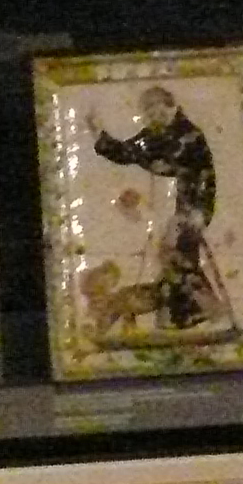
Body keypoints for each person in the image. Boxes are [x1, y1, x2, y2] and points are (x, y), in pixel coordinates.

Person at [90, 85, 228, 328]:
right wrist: (98, 133)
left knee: (173, 255)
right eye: (150, 112)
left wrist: (195, 212)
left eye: (160, 109)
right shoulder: (157, 134)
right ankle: (185, 314)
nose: (156, 116)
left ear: (172, 106)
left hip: (197, 203)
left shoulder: (189, 134)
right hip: (183, 205)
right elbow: (127, 152)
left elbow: (178, 160)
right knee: (178, 258)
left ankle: (209, 307)